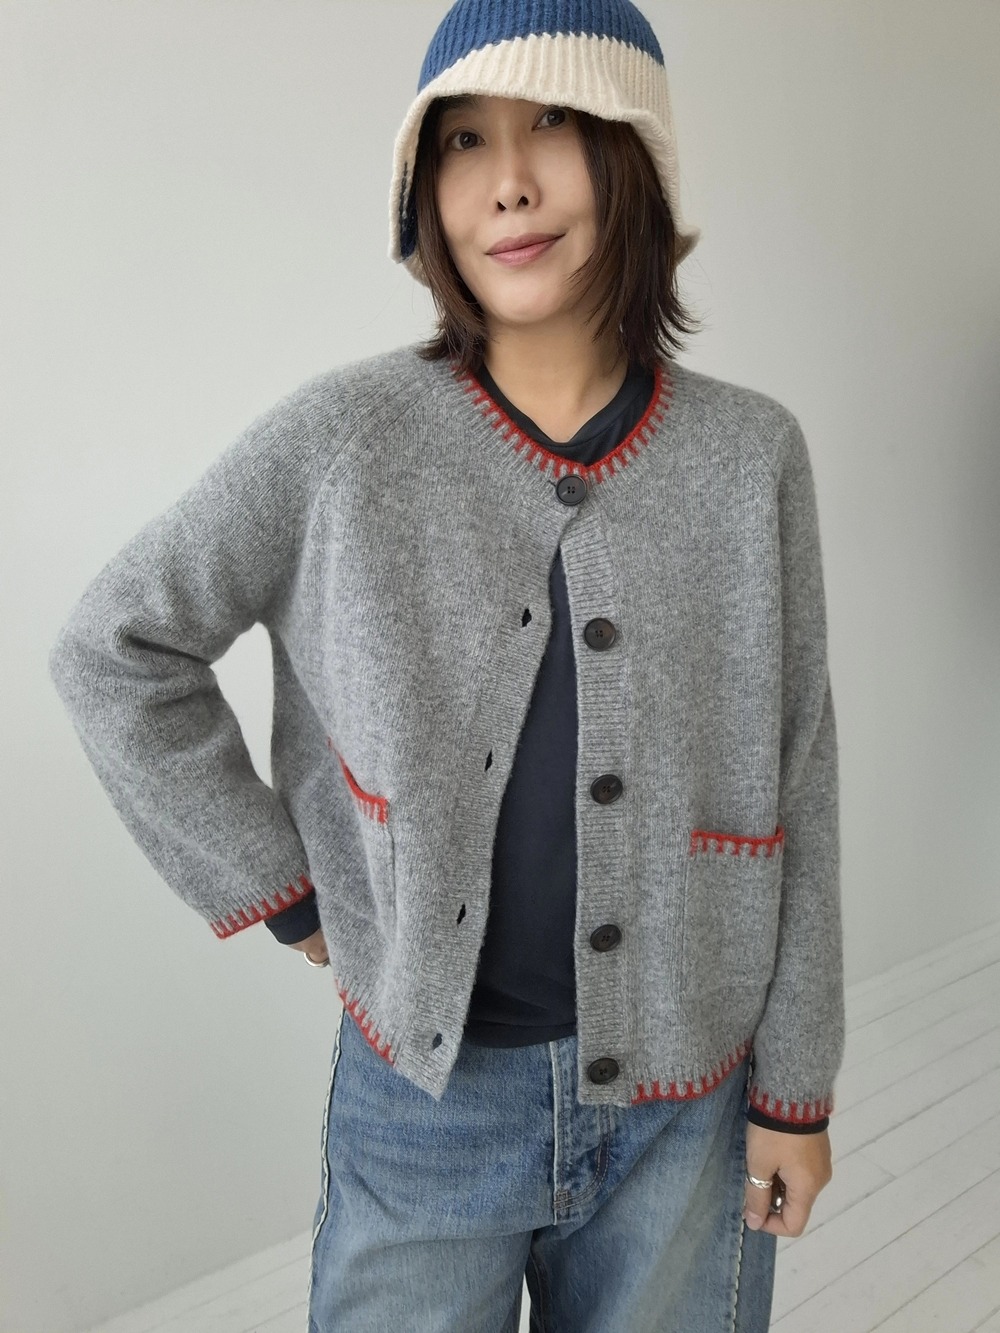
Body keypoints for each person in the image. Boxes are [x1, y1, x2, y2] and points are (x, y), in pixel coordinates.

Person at [48, 0, 846, 1328]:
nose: (509, 181)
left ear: (637, 157)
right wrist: (285, 892)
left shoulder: (750, 454)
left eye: (555, 125)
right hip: (426, 1106)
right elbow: (117, 646)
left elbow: (799, 778)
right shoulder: (346, 437)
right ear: (423, 191)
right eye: (464, 140)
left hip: (688, 1108)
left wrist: (795, 1093)